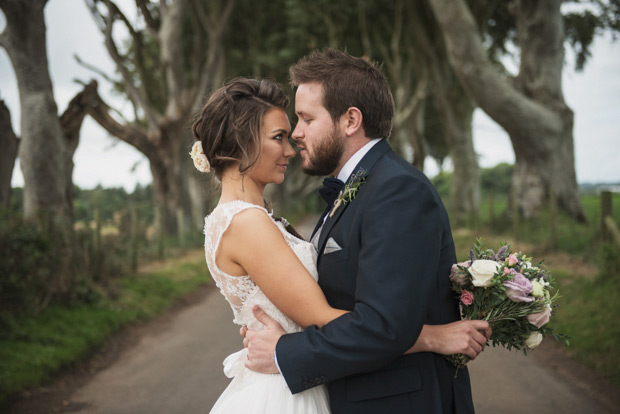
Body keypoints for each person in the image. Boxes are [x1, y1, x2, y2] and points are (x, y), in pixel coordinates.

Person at [194, 76, 490, 414]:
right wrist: (432, 337)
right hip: (282, 392)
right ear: (241, 143)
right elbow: (323, 318)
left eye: (305, 121)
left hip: (303, 382)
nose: (291, 147)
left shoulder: (251, 218)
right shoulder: (246, 223)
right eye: (279, 137)